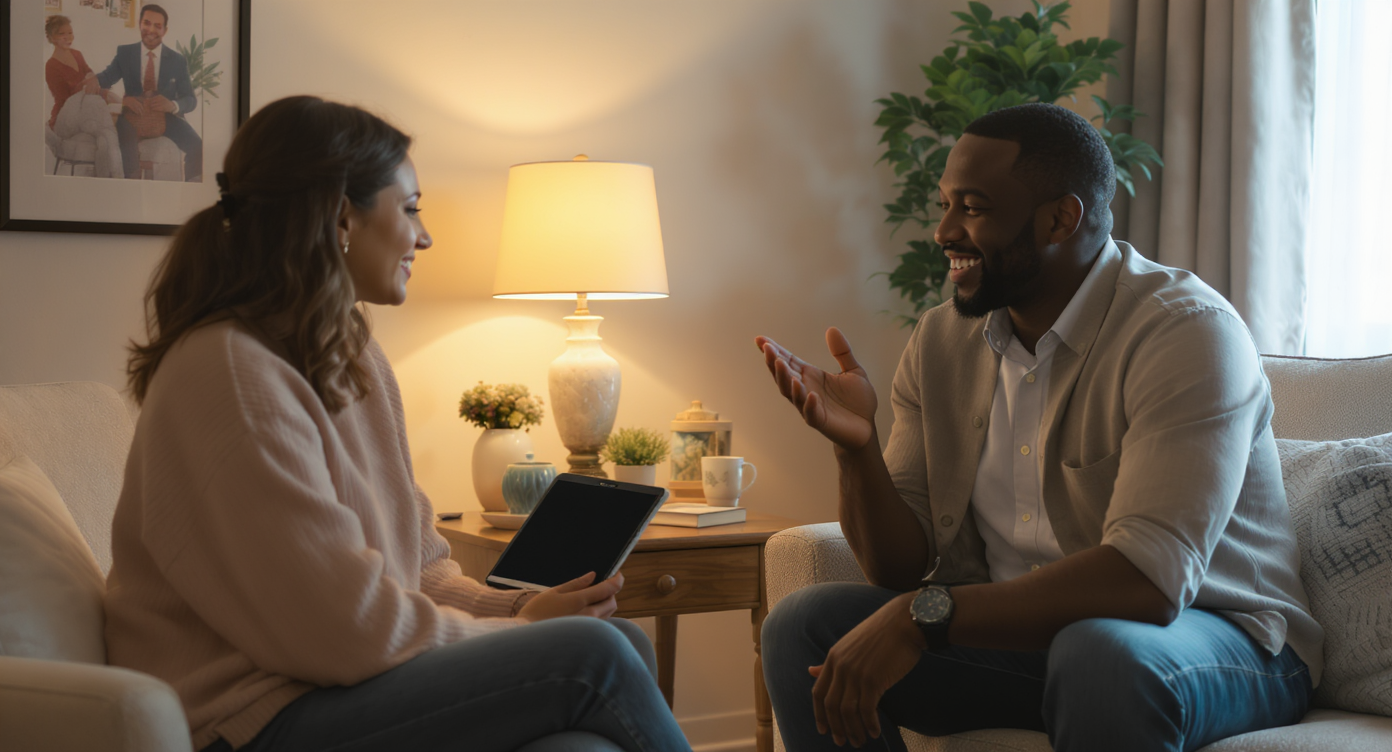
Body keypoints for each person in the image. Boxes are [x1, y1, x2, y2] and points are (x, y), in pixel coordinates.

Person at [105, 95, 690, 752]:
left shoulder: (350, 355)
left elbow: (418, 568)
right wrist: (529, 633)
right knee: (594, 656)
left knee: (614, 652)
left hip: (336, 689)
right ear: (341, 217)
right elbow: (343, 630)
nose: (425, 236)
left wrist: (520, 608)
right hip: (251, 718)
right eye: (410, 208)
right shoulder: (230, 374)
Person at [756, 103, 1321, 752]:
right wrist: (856, 451)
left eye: (973, 207)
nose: (943, 231)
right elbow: (899, 567)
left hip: (1227, 641)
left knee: (1098, 653)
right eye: (944, 204)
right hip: (1045, 645)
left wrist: (924, 618)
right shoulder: (941, 340)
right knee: (803, 626)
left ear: (1060, 219)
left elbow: (1149, 582)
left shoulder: (1185, 331)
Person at [92, 3, 202, 181]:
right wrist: (122, 101)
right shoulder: (125, 53)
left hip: (165, 118)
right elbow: (104, 79)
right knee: (128, 153)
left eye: (157, 26)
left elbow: (190, 99)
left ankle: (190, 191)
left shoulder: (177, 60)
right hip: (131, 116)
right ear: (140, 24)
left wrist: (172, 105)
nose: (151, 30)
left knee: (198, 147)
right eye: (147, 23)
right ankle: (132, 188)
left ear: (165, 30)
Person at [44, 14, 122, 178]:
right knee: (94, 98)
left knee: (106, 138)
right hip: (65, 117)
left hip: (85, 112)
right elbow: (65, 98)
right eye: (62, 34)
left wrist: (93, 83)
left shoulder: (77, 55)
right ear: (52, 37)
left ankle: (110, 181)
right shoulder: (51, 65)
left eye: (70, 33)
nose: (68, 37)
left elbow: (90, 76)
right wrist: (99, 90)